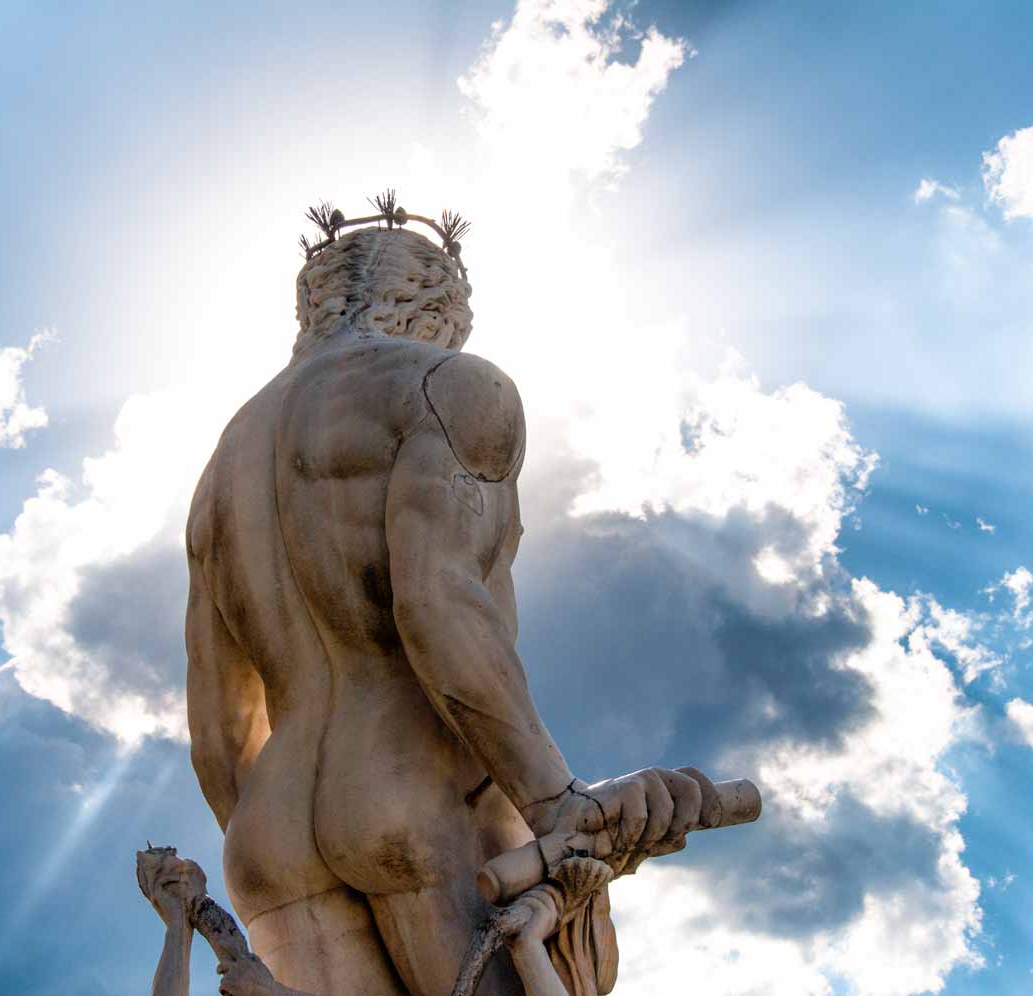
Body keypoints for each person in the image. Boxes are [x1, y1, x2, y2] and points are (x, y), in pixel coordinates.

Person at [184, 221, 715, 996]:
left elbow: (215, 729)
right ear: (441, 307)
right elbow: (437, 605)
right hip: (419, 791)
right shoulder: (452, 386)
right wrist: (553, 801)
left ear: (312, 308)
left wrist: (268, 838)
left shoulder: (222, 465)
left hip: (268, 834)